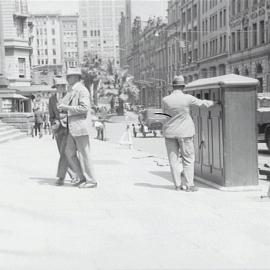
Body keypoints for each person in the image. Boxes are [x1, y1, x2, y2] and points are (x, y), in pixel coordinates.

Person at [162, 75, 215, 192]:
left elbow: (165, 115)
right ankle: (189, 185)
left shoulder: (165, 100)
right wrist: (214, 102)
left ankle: (177, 185)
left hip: (170, 133)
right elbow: (203, 103)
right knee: (188, 159)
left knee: (173, 161)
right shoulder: (187, 98)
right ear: (183, 87)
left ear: (173, 86)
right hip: (185, 133)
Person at [58, 68, 98, 189]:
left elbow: (85, 108)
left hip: (81, 128)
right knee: (68, 152)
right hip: (73, 128)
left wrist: (66, 108)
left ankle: (91, 181)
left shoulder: (82, 90)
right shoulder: (73, 90)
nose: (67, 78)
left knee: (84, 154)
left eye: (69, 76)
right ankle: (81, 177)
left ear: (76, 77)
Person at [49, 77, 76, 186]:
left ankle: (65, 177)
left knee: (67, 153)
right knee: (62, 153)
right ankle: (74, 174)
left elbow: (73, 111)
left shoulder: (70, 97)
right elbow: (51, 116)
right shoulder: (51, 99)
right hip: (58, 130)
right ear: (56, 87)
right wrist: (54, 123)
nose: (61, 88)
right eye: (59, 86)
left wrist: (65, 119)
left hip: (69, 128)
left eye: (63, 86)